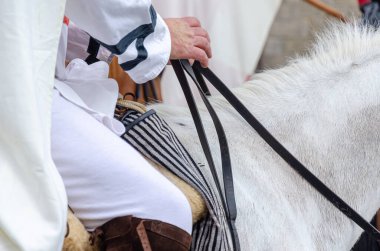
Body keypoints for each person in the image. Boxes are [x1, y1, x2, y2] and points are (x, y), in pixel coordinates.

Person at [0, 1, 211, 250]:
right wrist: (155, 38)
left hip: (24, 71)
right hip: (16, 87)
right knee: (162, 211)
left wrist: (112, 46)